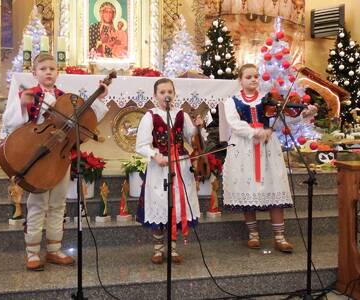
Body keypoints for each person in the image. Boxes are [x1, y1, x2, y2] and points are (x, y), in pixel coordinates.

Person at [1, 53, 109, 271]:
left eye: (52, 68)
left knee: (59, 204)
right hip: (39, 157)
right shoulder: (30, 95)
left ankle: (53, 250)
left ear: (58, 72)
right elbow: (12, 124)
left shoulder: (65, 98)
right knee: (38, 205)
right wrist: (21, 104)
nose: (48, 72)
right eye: (43, 69)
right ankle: (32, 252)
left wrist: (99, 97)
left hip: (61, 157)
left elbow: (88, 121)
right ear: (34, 73)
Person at [220, 64, 317, 253]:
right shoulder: (231, 101)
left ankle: (280, 237)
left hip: (267, 148)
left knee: (275, 186)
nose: (253, 79)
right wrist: (256, 132)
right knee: (247, 188)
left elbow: (281, 122)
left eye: (256, 76)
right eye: (248, 77)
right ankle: (253, 235)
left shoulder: (269, 100)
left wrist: (303, 115)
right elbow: (235, 123)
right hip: (244, 148)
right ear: (240, 80)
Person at [135, 78, 204, 264]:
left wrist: (198, 128)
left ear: (174, 94)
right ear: (155, 96)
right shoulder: (150, 115)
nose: (166, 95)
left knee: (177, 205)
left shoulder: (182, 115)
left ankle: (173, 248)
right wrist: (155, 155)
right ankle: (158, 249)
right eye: (162, 92)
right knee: (160, 204)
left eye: (169, 92)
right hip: (160, 167)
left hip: (180, 165)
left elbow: (192, 139)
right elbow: (141, 145)